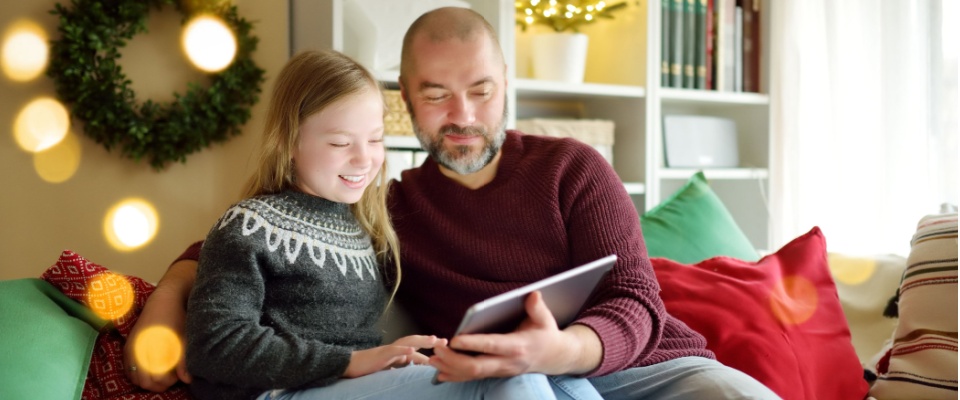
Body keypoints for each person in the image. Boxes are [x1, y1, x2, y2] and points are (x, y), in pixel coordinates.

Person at [128, 7, 781, 400]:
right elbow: (260, 234)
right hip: (510, 382)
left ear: (507, 87)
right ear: (406, 101)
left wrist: (562, 351)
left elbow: (635, 299)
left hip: (639, 367)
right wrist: (167, 294)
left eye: (481, 90)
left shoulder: (572, 168)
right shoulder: (390, 211)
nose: (461, 114)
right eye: (436, 94)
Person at [171, 49, 596, 400]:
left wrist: (401, 353)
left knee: (544, 377)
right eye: (340, 143)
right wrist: (352, 361)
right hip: (279, 392)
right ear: (288, 142)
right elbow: (215, 345)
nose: (364, 159)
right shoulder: (249, 225)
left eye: (375, 139)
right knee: (502, 379)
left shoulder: (366, 223)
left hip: (352, 383)